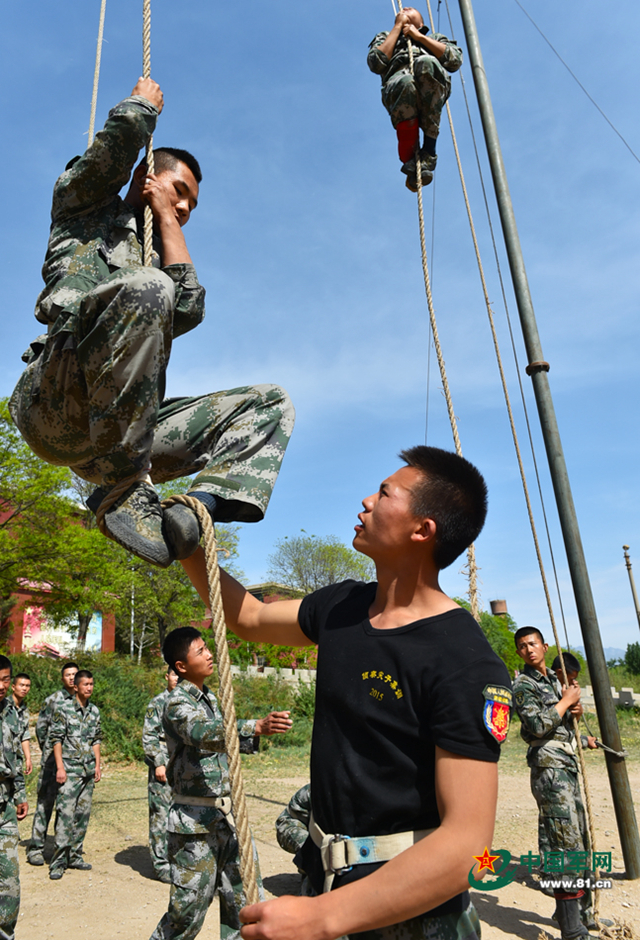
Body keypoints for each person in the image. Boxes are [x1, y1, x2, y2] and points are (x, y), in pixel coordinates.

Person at [183, 445, 512, 940]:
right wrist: (187, 541)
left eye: (384, 493)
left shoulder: (464, 660)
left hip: (412, 915)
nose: (365, 501)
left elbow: (466, 844)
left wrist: (320, 919)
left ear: (423, 530)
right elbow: (247, 616)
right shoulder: (342, 605)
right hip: (326, 881)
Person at [10, 77, 295, 571]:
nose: (185, 208)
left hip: (116, 439)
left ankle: (192, 511)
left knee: (271, 403)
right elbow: (101, 165)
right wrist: (142, 107)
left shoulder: (160, 253)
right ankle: (126, 490)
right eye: (179, 192)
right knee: (149, 286)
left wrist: (165, 216)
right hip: (55, 399)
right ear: (148, 173)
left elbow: (188, 307)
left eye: (192, 206)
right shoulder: (85, 216)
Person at [149, 626, 293, 940]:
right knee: (187, 912)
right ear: (181, 666)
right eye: (200, 651)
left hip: (229, 819)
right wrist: (252, 726)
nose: (210, 654)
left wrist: (256, 732)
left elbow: (224, 739)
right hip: (194, 825)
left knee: (243, 904)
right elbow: (199, 732)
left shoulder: (212, 698)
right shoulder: (176, 703)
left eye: (207, 648)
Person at [513, 629, 599, 939]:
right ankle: (572, 930)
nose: (528, 650)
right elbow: (536, 725)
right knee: (565, 845)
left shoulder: (553, 678)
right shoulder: (523, 686)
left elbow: (559, 722)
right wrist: (565, 702)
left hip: (567, 764)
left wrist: (574, 711)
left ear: (545, 646)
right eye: (522, 646)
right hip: (549, 769)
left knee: (580, 839)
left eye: (533, 643)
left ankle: (583, 913)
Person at [368, 7, 462, 191]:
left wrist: (418, 37)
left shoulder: (435, 38)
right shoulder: (386, 37)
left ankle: (428, 150)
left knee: (426, 63)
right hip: (398, 86)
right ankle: (410, 157)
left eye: (412, 9)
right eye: (404, 9)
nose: (406, 8)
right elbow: (376, 62)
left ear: (422, 24)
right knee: (405, 82)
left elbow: (455, 60)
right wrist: (397, 28)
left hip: (430, 83)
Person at [48, 669, 102, 880]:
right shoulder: (63, 709)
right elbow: (56, 740)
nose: (89, 687)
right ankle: (58, 861)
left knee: (82, 816)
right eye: (85, 684)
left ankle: (75, 855)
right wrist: (60, 768)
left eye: (91, 684)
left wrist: (97, 765)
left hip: (88, 771)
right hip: (69, 772)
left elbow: (96, 739)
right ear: (76, 686)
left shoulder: (94, 711)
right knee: (65, 815)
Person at [27, 660, 79, 866]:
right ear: (62, 678)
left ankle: (63, 849)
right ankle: (36, 848)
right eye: (68, 674)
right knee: (44, 804)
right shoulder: (53, 700)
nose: (72, 677)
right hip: (51, 762)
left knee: (67, 808)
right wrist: (49, 752)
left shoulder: (82, 700)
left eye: (75, 674)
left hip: (72, 765)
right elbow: (41, 729)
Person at [0, 655, 28, 940]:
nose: (1, 685)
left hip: (5, 805)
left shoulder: (10, 710)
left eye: (5, 679)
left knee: (9, 881)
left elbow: (15, 756)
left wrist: (19, 793)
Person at [143, 666, 180, 882]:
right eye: (174, 674)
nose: (177, 678)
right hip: (164, 766)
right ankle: (161, 864)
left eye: (180, 675)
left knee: (180, 815)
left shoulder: (186, 703)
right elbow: (149, 736)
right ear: (167, 676)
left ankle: (177, 859)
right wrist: (158, 763)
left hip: (183, 769)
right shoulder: (158, 703)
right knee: (160, 814)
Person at [11, 673, 32, 775]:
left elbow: (25, 736)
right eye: (21, 685)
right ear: (13, 687)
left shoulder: (25, 711)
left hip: (17, 762)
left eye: (27, 686)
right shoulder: (3, 707)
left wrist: (28, 758)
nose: (24, 688)